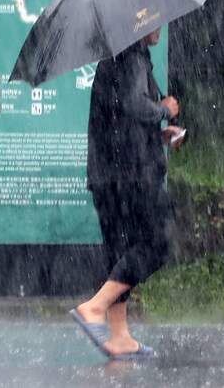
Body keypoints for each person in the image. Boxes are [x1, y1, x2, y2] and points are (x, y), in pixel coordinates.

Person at [70, 28, 186, 360]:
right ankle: (95, 307)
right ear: (137, 23)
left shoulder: (113, 59)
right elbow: (136, 104)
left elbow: (120, 118)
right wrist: (165, 110)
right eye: (155, 22)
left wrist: (158, 134)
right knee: (158, 243)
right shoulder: (133, 58)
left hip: (107, 176)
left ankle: (119, 336)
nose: (160, 29)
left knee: (119, 251)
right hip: (133, 176)